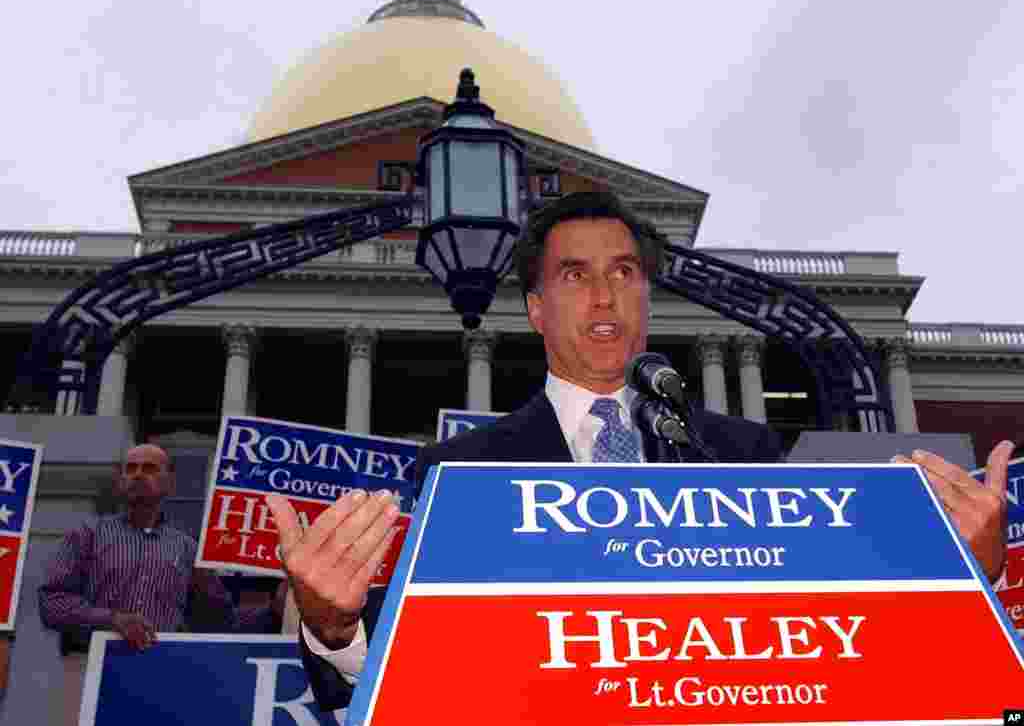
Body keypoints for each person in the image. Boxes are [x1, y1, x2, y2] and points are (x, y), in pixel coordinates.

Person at [265, 190, 1011, 712]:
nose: (604, 296)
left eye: (624, 273)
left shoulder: (742, 451)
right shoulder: (458, 474)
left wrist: (962, 577)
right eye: (574, 275)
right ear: (535, 309)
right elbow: (384, 688)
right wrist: (332, 626)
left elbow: (832, 645)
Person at [39, 443, 286, 726]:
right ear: (120, 481)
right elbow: (52, 603)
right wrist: (112, 619)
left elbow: (222, 622)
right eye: (130, 469)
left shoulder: (187, 549)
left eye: (149, 468)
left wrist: (275, 610)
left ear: (170, 481)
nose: (138, 475)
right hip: (88, 670)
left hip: (159, 678)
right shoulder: (86, 535)